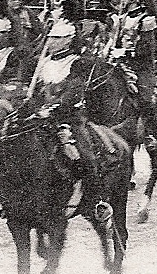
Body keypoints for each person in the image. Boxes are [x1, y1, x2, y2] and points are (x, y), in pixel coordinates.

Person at [24, 19, 110, 216]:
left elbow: (73, 92)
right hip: (40, 115)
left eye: (56, 38)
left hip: (68, 116)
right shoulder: (43, 63)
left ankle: (97, 199)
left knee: (81, 151)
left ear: (68, 40)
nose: (51, 42)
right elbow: (37, 90)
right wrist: (31, 106)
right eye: (51, 37)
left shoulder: (77, 63)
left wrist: (54, 109)